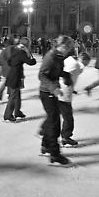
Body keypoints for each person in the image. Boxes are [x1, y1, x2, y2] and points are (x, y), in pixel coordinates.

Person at [38, 35, 74, 166]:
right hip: (47, 92)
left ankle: (46, 145)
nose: (66, 50)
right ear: (59, 45)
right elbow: (42, 75)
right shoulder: (51, 57)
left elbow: (57, 71)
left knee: (52, 120)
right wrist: (54, 88)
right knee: (55, 124)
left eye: (68, 48)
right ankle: (55, 154)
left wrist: (66, 76)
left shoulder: (59, 56)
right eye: (65, 47)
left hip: (51, 92)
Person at [58, 51, 90, 147]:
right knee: (68, 118)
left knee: (61, 116)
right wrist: (68, 85)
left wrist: (72, 89)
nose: (87, 65)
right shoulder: (76, 65)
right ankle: (65, 137)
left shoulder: (72, 62)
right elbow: (65, 74)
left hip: (63, 92)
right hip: (63, 94)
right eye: (87, 62)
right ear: (83, 60)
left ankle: (48, 132)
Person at [3, 37, 36, 122]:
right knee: (13, 96)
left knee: (17, 95)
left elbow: (9, 61)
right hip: (15, 76)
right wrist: (33, 60)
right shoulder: (21, 52)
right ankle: (8, 115)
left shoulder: (15, 49)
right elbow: (30, 62)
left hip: (12, 74)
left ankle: (17, 112)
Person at [0, 36, 20, 104]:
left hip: (8, 67)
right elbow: (7, 58)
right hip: (8, 68)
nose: (18, 41)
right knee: (6, 82)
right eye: (17, 40)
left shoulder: (11, 48)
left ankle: (9, 94)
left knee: (9, 82)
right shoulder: (9, 48)